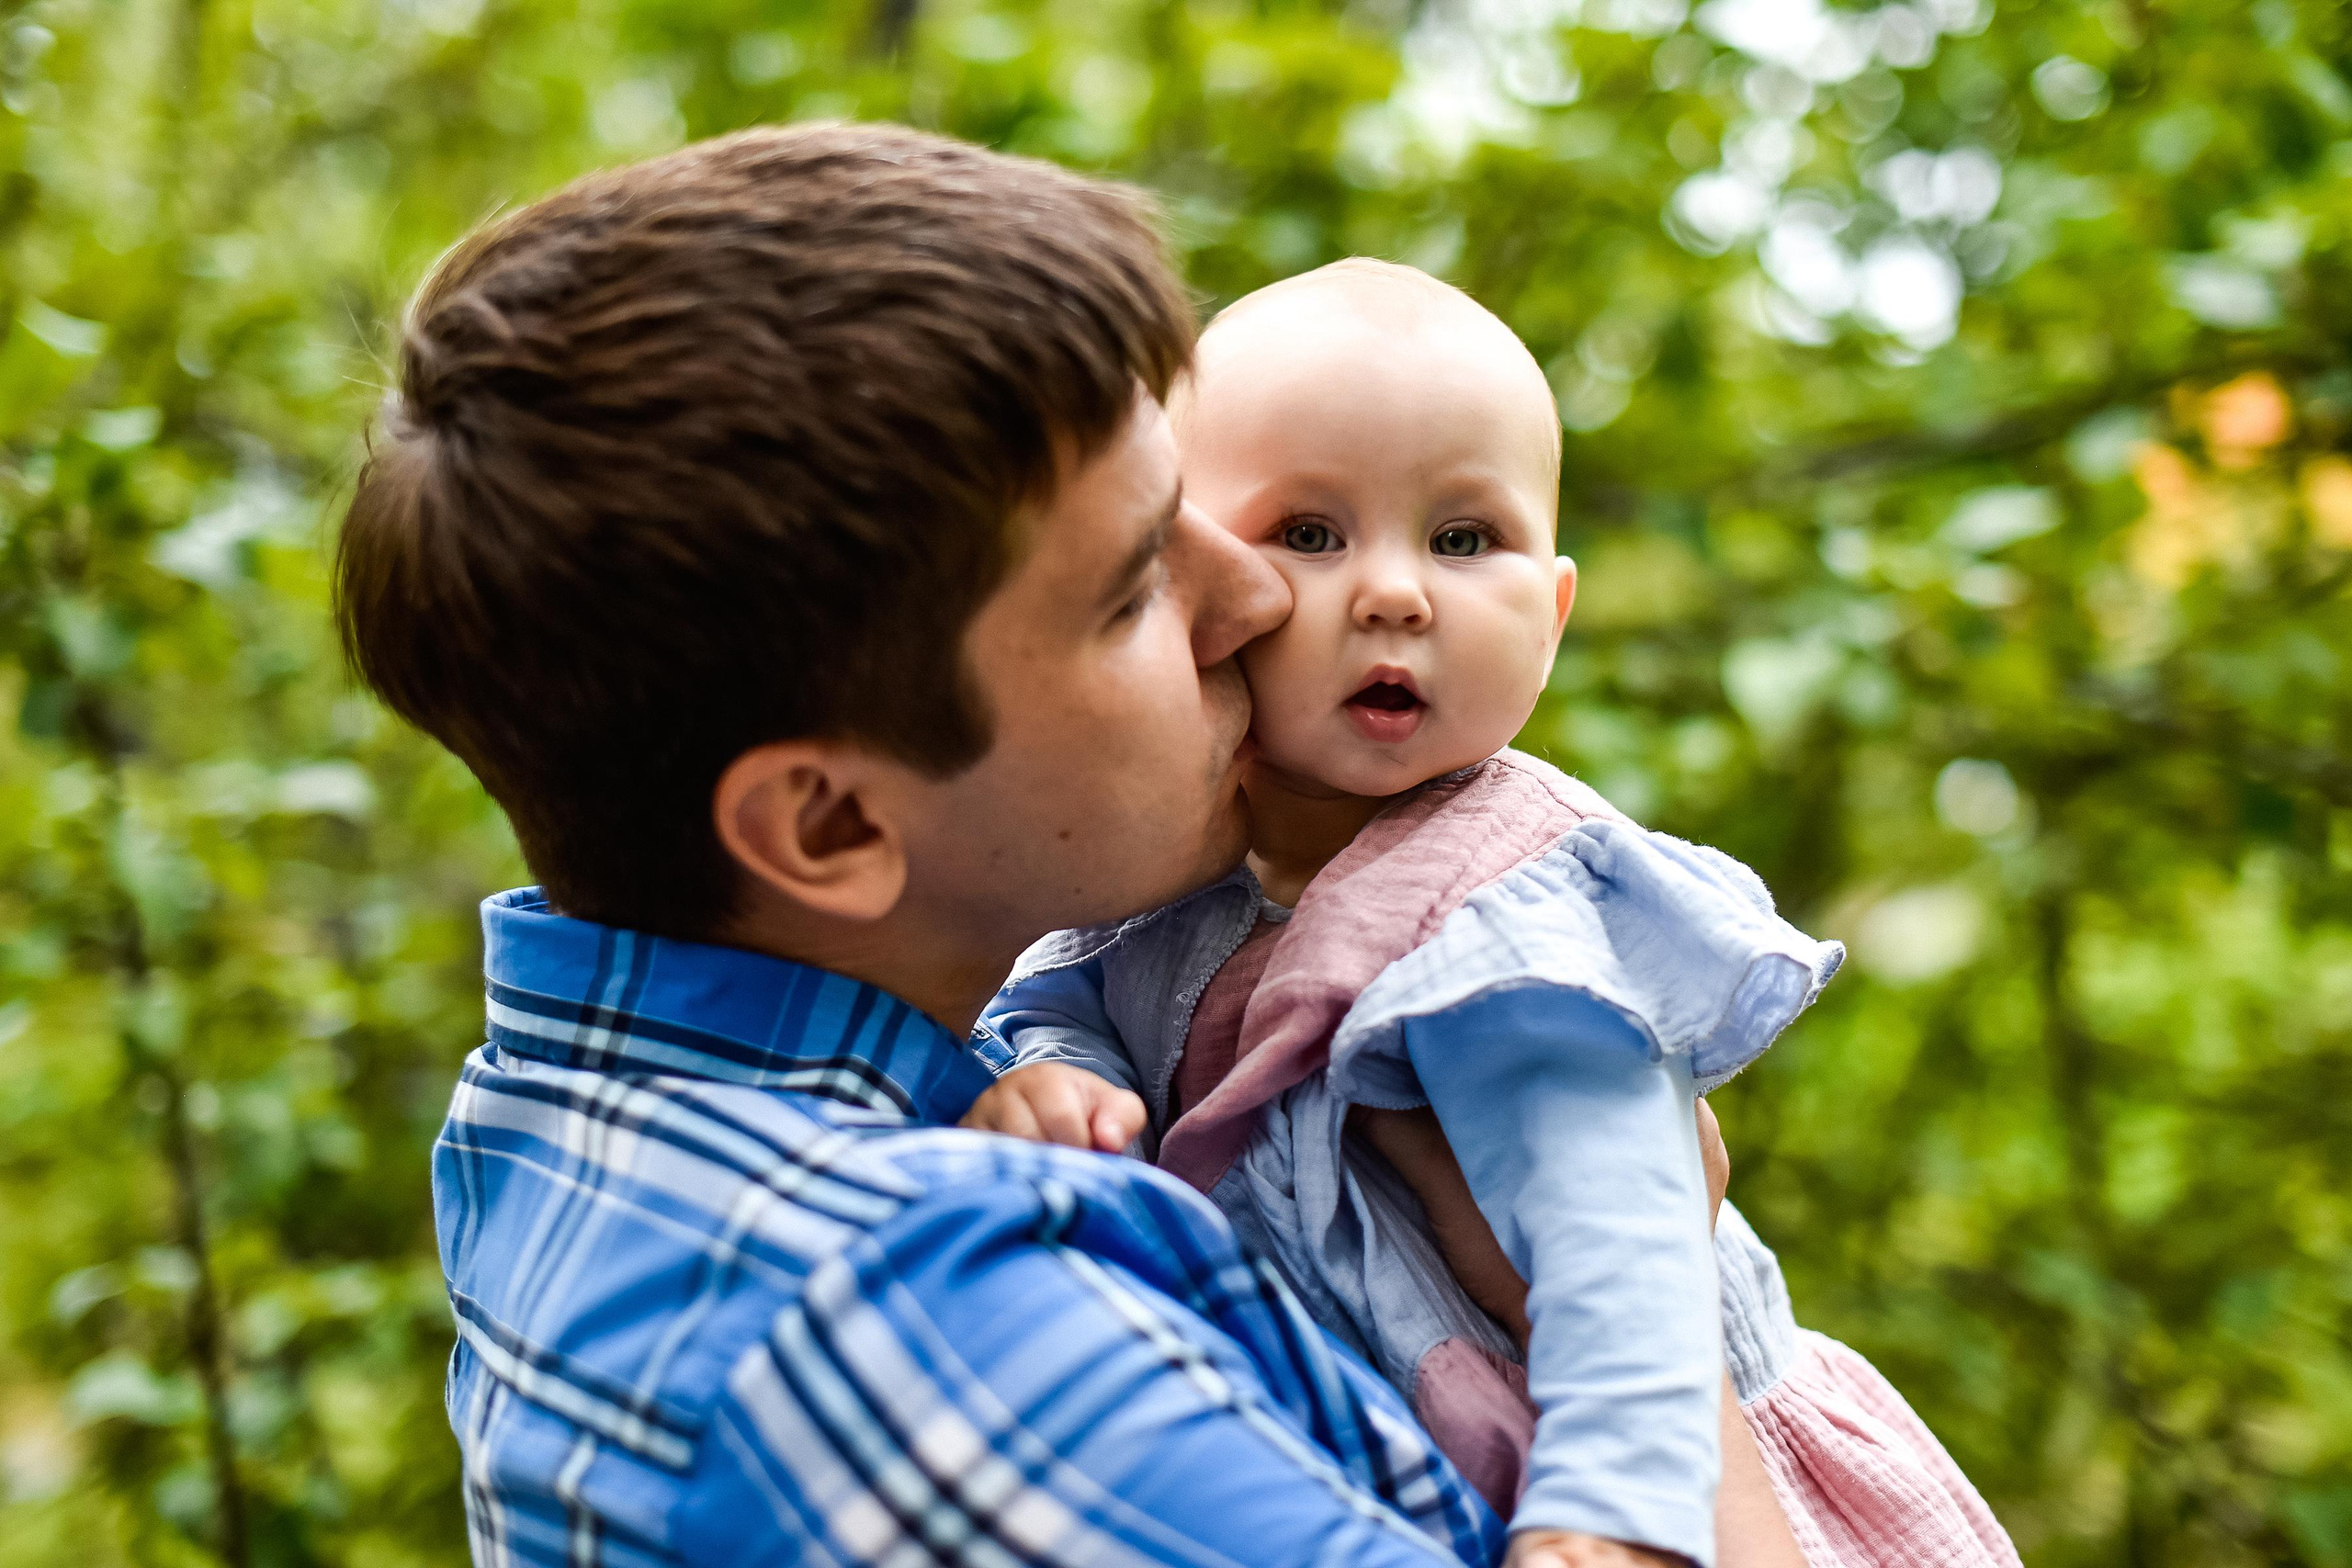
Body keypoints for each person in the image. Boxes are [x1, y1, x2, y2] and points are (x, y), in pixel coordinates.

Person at [337, 119, 1800, 1566]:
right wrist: (1642, 1300)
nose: (1256, 601)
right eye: (1133, 584)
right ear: (832, 823)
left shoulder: (573, 1105)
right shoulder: (934, 1347)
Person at [966, 262, 2022, 1568]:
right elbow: (1066, 997)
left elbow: (1622, 1237)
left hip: (1641, 1466)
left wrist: (1610, 1513)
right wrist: (1057, 1082)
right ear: (1190, 578)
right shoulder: (1160, 874)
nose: (1397, 593)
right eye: (1310, 533)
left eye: (1464, 541)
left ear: (1554, 615)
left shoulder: (1504, 903)